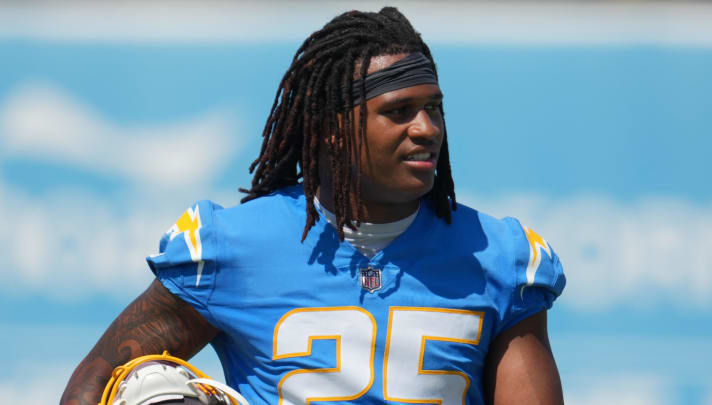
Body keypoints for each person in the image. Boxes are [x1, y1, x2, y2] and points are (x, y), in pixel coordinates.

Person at [61, 7, 566, 405]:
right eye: (399, 111)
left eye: (433, 108)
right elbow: (96, 382)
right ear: (333, 129)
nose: (427, 128)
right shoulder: (234, 247)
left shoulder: (496, 257)